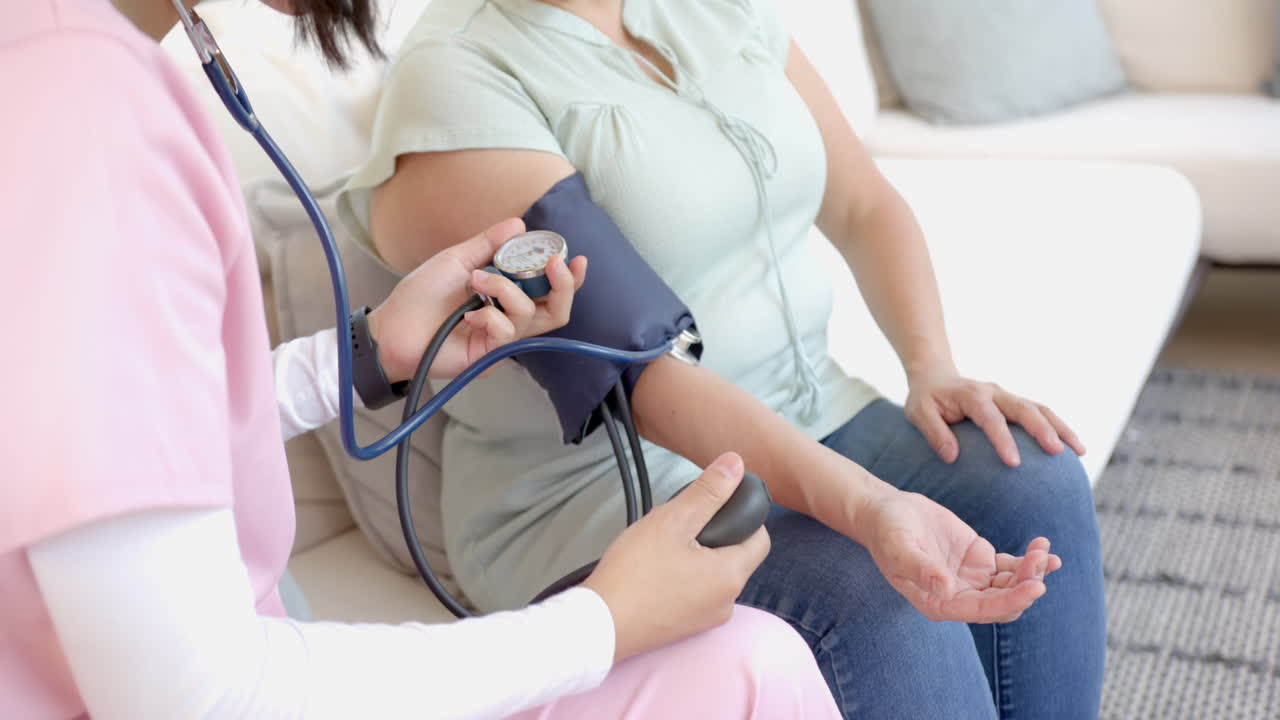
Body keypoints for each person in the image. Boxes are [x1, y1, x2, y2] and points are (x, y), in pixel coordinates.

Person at [0, 0, 846, 717]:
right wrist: (603, 621)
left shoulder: (68, 63)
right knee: (750, 668)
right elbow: (195, 696)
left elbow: (121, 422)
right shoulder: (85, 116)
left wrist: (364, 356)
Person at [340, 0, 1108, 717]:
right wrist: (870, 508)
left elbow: (862, 201)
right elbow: (634, 367)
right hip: (610, 488)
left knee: (1029, 477)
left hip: (814, 409)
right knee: (883, 596)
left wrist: (931, 366)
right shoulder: (459, 74)